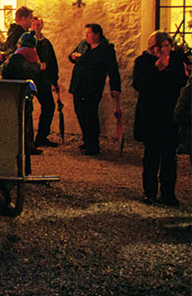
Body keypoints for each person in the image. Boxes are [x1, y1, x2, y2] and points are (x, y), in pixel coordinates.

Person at [132, 31, 188, 205]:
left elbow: (180, 83)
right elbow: (139, 85)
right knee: (152, 156)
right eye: (160, 46)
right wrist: (157, 69)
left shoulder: (177, 61)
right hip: (151, 114)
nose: (164, 50)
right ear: (152, 48)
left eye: (166, 46)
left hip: (170, 114)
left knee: (169, 157)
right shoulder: (143, 62)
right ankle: (149, 192)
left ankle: (168, 194)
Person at [68, 23, 122, 156]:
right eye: (85, 34)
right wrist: (73, 57)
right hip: (79, 85)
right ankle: (87, 139)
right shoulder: (84, 45)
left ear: (97, 34)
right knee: (80, 112)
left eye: (89, 33)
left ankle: (93, 144)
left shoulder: (106, 49)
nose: (86, 36)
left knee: (90, 114)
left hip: (92, 86)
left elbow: (113, 69)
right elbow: (72, 56)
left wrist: (115, 87)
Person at [1, 32, 43, 156]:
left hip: (15, 93)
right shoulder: (35, 58)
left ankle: (19, 147)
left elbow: (5, 72)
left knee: (18, 120)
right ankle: (29, 145)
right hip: (28, 93)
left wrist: (0, 63)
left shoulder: (17, 57)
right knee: (27, 119)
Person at [32, 17, 60, 147]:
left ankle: (42, 136)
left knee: (49, 106)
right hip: (31, 78)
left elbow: (52, 62)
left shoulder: (46, 43)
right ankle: (26, 138)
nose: (37, 27)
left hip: (43, 80)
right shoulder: (27, 41)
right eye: (35, 24)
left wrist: (54, 81)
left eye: (39, 24)